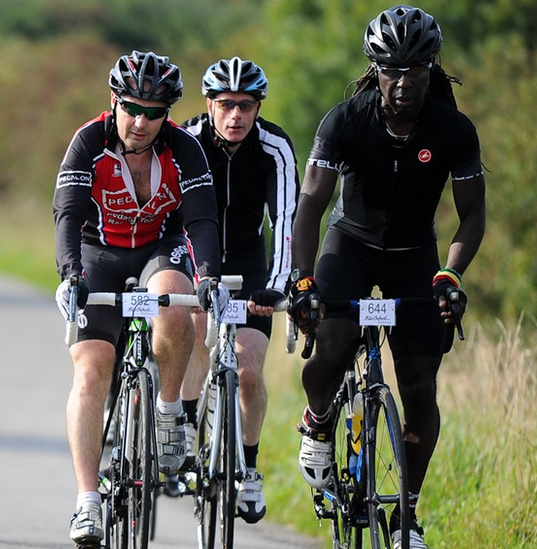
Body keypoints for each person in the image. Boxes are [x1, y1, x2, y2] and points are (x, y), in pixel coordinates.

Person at [288, 6, 485, 548]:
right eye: (391, 71)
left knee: (421, 386)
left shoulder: (452, 130)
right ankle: (319, 421)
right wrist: (303, 281)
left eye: (414, 71)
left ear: (431, 68)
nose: (402, 84)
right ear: (375, 69)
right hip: (349, 245)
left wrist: (450, 273)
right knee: (329, 345)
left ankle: (405, 517)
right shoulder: (345, 120)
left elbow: (472, 214)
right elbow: (310, 206)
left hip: (413, 255)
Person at [53, 50, 227, 545]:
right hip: (97, 251)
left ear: (167, 113)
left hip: (158, 247)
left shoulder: (185, 149)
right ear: (114, 102)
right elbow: (66, 213)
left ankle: (169, 413)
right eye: (132, 107)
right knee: (90, 371)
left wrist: (210, 274)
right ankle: (87, 502)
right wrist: (70, 275)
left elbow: (200, 220)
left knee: (177, 298)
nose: (142, 121)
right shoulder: (89, 141)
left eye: (155, 112)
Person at [178, 57, 299, 523]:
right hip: (194, 257)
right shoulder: (186, 139)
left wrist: (275, 284)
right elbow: (173, 212)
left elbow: (286, 219)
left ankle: (249, 471)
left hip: (251, 264)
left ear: (258, 107)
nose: (236, 116)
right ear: (209, 103)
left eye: (246, 106)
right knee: (194, 333)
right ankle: (186, 429)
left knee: (248, 370)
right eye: (226, 104)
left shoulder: (275, 147)